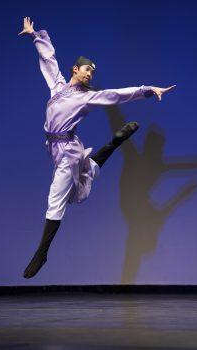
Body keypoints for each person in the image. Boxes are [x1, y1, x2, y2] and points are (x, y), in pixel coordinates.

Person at [18, 17, 176, 279]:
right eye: (86, 70)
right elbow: (49, 60)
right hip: (57, 149)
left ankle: (41, 252)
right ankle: (115, 141)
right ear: (75, 70)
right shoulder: (57, 86)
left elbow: (117, 94)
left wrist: (147, 90)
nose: (90, 74)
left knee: (57, 199)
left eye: (92, 71)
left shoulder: (87, 97)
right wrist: (35, 35)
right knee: (81, 183)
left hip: (68, 150)